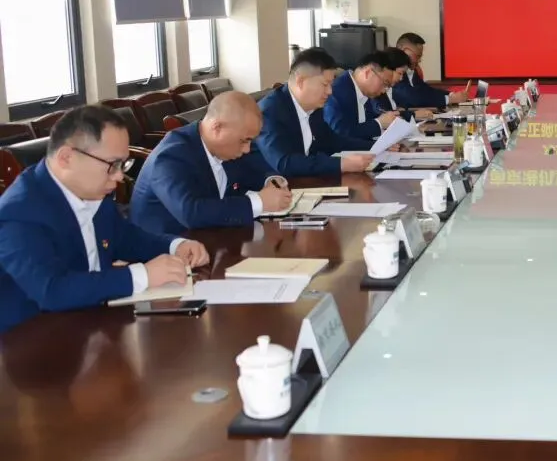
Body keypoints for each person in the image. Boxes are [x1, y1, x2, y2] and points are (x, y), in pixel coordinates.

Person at [0, 106, 209, 333]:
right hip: (32, 338)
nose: (119, 176)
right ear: (66, 158)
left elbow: (125, 237)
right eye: (112, 165)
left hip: (90, 321)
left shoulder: (91, 189)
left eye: (123, 164)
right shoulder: (19, 213)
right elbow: (52, 290)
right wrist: (141, 276)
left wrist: (175, 245)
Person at [130, 92, 292, 233]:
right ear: (217, 128)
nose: (247, 149)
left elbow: (252, 172)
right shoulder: (171, 156)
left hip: (211, 238)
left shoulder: (226, 147)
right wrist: (259, 202)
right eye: (244, 140)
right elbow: (191, 212)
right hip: (165, 248)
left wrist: (271, 181)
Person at [256, 48, 376, 177]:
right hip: (272, 184)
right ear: (300, 81)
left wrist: (375, 146)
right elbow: (285, 163)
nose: (330, 91)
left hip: (305, 180)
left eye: (331, 85)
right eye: (325, 84)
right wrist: (341, 164)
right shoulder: (270, 112)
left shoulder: (313, 107)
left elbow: (332, 141)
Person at [323, 51, 399, 141]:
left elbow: (366, 125)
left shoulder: (365, 93)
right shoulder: (336, 92)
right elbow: (340, 133)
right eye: (385, 83)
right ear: (368, 73)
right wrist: (379, 123)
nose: (383, 91)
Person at [392, 33, 469, 109]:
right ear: (404, 51)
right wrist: (450, 99)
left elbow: (425, 90)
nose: (419, 60)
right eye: (417, 56)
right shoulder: (392, 69)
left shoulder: (411, 70)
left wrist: (451, 94)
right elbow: (411, 97)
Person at [376, 47, 435, 121]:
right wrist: (413, 115)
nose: (401, 78)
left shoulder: (388, 89)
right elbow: (384, 115)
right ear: (388, 69)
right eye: (400, 73)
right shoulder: (376, 91)